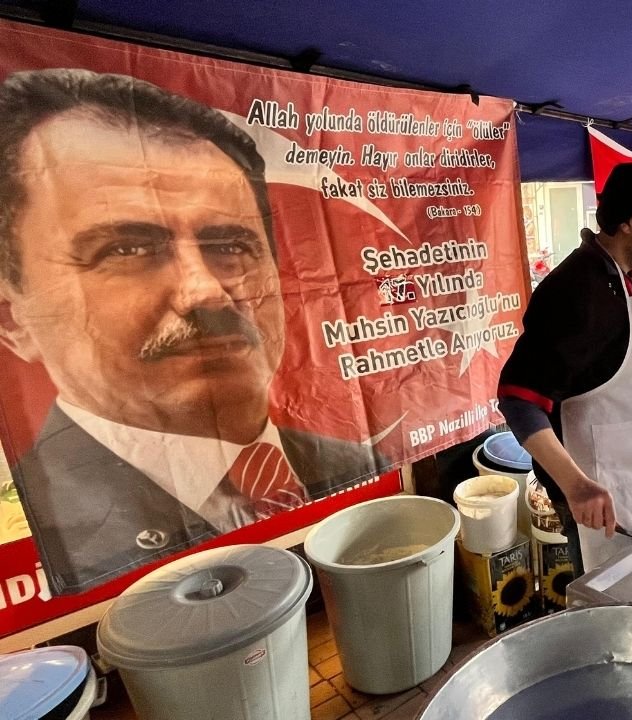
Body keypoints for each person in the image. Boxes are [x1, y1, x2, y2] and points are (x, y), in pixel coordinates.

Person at [0, 69, 384, 593]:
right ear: (11, 317)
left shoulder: (362, 465)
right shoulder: (43, 532)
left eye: (230, 246)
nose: (205, 292)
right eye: (127, 249)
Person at [497, 162, 632, 575]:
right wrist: (575, 485)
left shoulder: (631, 278)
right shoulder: (575, 291)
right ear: (627, 223)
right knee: (610, 606)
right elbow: (518, 399)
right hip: (598, 492)